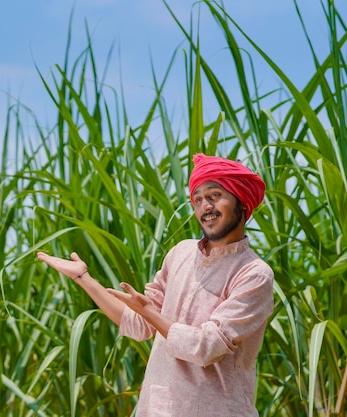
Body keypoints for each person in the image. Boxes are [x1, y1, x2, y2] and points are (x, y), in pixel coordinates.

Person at [37, 153, 274, 416]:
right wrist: (83, 278)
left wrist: (148, 311)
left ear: (242, 202)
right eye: (198, 200)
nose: (205, 206)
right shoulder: (180, 254)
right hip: (158, 408)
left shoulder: (254, 274)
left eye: (215, 196)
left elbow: (207, 347)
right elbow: (139, 324)